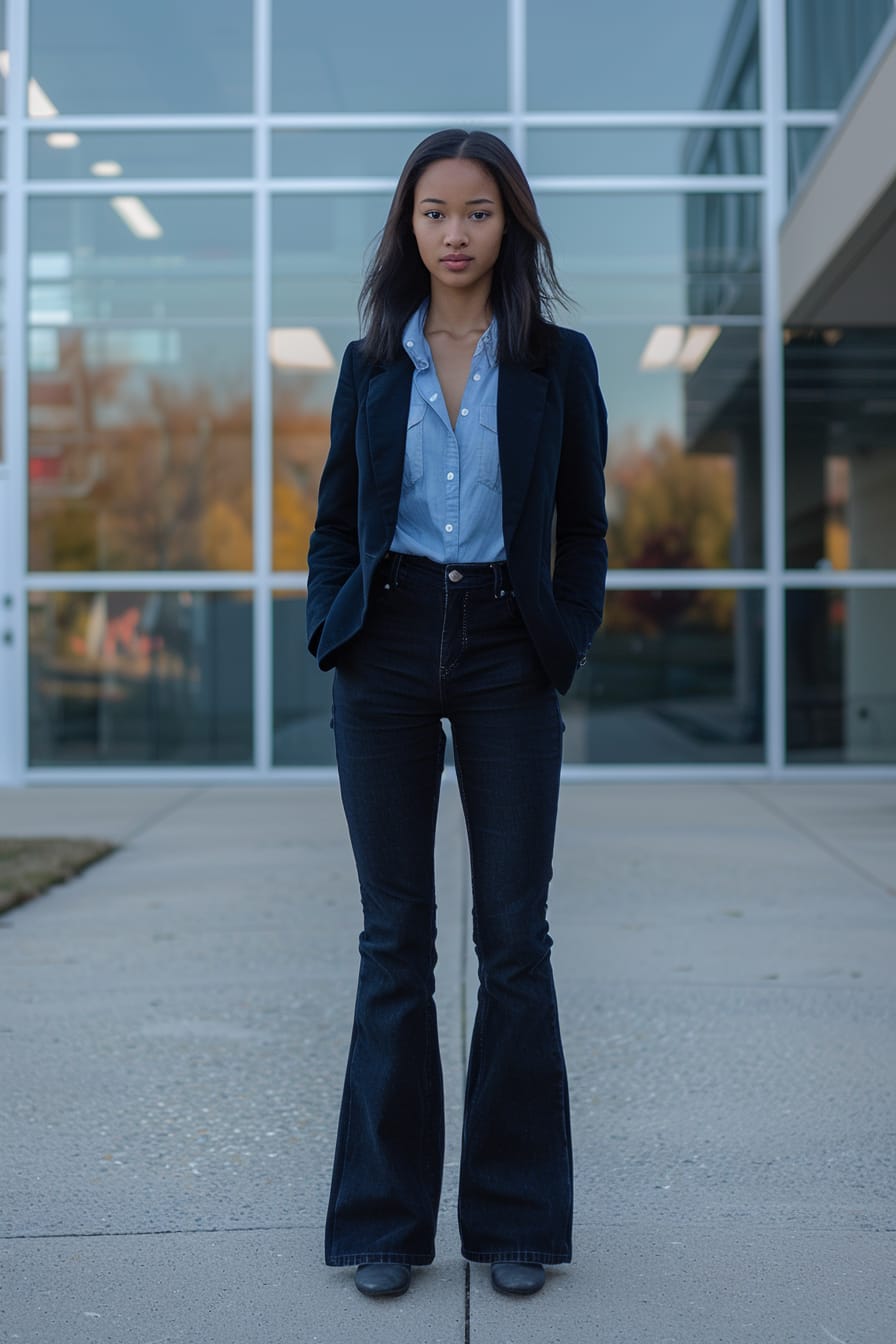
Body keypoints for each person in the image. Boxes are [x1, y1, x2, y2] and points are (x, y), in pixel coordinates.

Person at [306, 129, 608, 1300]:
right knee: (394, 943)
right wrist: (333, 622)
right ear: (408, 227)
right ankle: (381, 1224)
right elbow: (338, 519)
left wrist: (559, 637)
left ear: (508, 226)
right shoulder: (369, 362)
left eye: (476, 211)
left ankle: (516, 1220)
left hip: (501, 650)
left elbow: (580, 526)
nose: (454, 232)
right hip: (382, 646)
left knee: (513, 942)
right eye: (434, 211)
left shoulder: (556, 362)